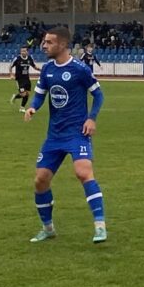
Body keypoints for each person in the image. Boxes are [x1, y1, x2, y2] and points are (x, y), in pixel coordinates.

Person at [24, 26, 108, 244]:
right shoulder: (47, 69)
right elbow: (40, 94)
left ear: (62, 44)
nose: (44, 46)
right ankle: (48, 228)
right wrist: (33, 107)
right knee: (40, 180)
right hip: (54, 135)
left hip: (76, 133)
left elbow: (98, 95)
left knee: (83, 172)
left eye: (49, 42)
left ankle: (100, 226)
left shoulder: (79, 69)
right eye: (44, 42)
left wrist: (91, 118)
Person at [8, 46, 39, 112]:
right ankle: (15, 96)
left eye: (24, 51)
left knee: (27, 94)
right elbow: (10, 66)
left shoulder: (30, 58)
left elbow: (34, 66)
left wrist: (41, 70)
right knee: (23, 94)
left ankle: (22, 108)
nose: (23, 52)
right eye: (22, 51)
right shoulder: (17, 58)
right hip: (19, 79)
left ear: (27, 52)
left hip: (27, 78)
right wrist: (11, 74)